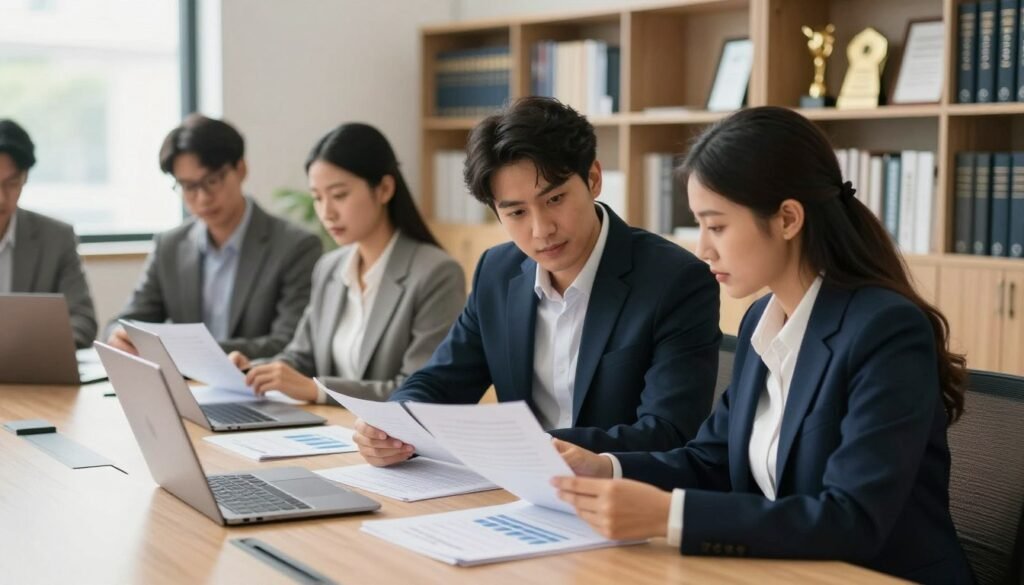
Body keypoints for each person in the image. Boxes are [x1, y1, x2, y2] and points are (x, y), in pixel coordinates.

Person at [550, 106, 973, 584]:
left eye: (718, 226)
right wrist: (603, 468)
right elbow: (710, 461)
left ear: (788, 218)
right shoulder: (760, 321)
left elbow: (851, 519)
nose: (703, 249)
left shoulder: (886, 330)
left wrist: (670, 516)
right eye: (700, 226)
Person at [353, 96, 721, 465]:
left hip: (618, 496)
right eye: (515, 212)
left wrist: (523, 446)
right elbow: (440, 381)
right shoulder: (497, 273)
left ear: (593, 179)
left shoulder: (675, 281)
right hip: (516, 487)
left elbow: (668, 431)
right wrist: (393, 424)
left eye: (555, 199)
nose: (541, 229)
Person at [227, 123, 465, 403]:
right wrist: (254, 370)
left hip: (390, 441)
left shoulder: (436, 273)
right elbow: (301, 357)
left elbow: (419, 389)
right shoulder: (329, 268)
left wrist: (318, 390)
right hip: (328, 431)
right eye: (318, 197)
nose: (326, 212)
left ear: (385, 189)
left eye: (339, 195)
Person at [105, 114, 321, 358]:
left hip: (256, 387)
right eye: (188, 186)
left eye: (212, 180)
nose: (203, 197)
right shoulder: (170, 245)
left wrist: (189, 351)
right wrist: (120, 335)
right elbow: (127, 320)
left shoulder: (295, 246)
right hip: (185, 388)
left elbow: (289, 343)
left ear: (241, 169)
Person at [0, 119, 97, 348]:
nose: (1, 198)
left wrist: (34, 349)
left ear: (25, 178)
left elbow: (82, 320)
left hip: (31, 375)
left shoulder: (56, 238)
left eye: (11, 184)